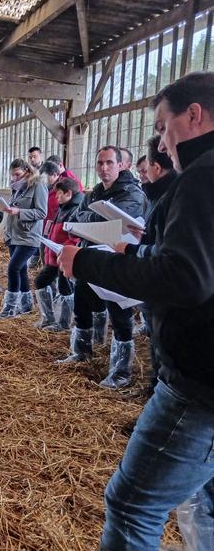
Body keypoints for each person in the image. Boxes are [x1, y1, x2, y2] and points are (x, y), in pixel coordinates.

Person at [57, 71, 214, 551]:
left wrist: (86, 261)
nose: (162, 142)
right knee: (204, 501)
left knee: (131, 505)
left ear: (194, 115)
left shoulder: (203, 176)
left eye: (163, 126)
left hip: (199, 381)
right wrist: (144, 257)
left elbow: (186, 279)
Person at [56, 146, 146, 391]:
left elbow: (118, 222)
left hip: (116, 257)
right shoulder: (95, 191)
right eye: (100, 163)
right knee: (82, 302)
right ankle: (81, 350)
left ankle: (120, 370)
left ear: (121, 165)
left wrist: (91, 219)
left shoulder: (132, 192)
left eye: (109, 163)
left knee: (119, 311)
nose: (104, 168)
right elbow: (76, 216)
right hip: (90, 255)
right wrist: (94, 219)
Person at [114, 135, 178, 392]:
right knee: (155, 341)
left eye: (145, 169)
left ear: (157, 168)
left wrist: (133, 248)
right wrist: (145, 235)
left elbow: (167, 249)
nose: (142, 175)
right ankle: (154, 389)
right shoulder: (158, 197)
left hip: (161, 284)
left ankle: (158, 390)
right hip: (156, 284)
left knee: (162, 344)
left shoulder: (169, 198)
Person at [0, 158, 48, 318]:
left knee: (13, 268)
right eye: (12, 175)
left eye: (17, 174)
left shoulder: (38, 185)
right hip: (14, 234)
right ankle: (26, 305)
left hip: (29, 235)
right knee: (21, 270)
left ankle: (10, 307)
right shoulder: (17, 188)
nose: (14, 178)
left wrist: (19, 212)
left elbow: (42, 213)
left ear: (27, 171)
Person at [34, 178, 82, 330]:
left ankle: (64, 323)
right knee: (40, 281)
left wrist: (62, 249)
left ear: (68, 193)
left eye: (59, 194)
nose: (56, 197)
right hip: (54, 256)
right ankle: (48, 318)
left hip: (64, 257)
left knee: (65, 289)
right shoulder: (63, 207)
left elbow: (75, 239)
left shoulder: (76, 210)